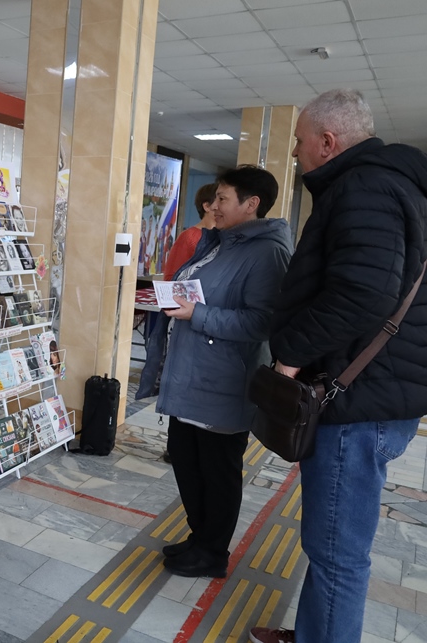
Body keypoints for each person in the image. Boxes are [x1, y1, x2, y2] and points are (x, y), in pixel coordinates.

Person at [250, 91, 427, 643]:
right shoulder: (394, 184)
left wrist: (290, 355)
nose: (295, 152)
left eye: (300, 141)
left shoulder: (364, 187)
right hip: (376, 392)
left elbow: (362, 293)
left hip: (355, 399)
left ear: (327, 142)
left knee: (336, 551)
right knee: (332, 544)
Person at [137, 165, 292, 579]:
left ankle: (213, 552)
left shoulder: (267, 253)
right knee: (187, 461)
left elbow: (263, 322)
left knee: (217, 471)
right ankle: (199, 537)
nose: (213, 205)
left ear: (251, 204)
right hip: (190, 376)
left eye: (222, 198)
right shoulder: (219, 243)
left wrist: (198, 314)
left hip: (224, 382)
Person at [163, 182, 218, 280]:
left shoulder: (226, 235)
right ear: (206, 206)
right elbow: (171, 276)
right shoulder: (189, 237)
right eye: (220, 200)